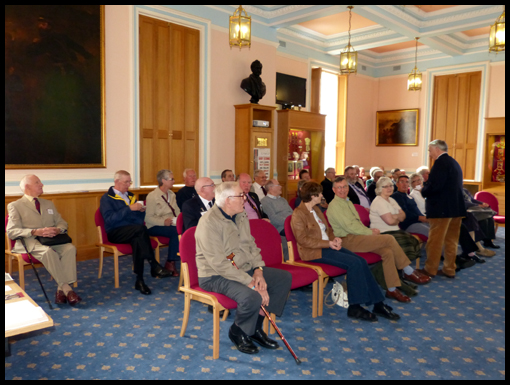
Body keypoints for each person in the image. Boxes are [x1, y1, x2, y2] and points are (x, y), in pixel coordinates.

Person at [196, 182, 292, 354]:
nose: (245, 199)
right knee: (252, 295)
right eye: (240, 196)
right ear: (227, 200)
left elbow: (251, 245)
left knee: (282, 279)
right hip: (214, 275)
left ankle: (254, 328)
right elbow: (219, 263)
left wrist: (258, 271)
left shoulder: (240, 216)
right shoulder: (208, 223)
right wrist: (251, 282)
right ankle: (238, 331)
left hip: (241, 268)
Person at [292, 182, 400, 321]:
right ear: (313, 196)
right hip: (314, 252)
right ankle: (355, 307)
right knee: (354, 263)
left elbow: (327, 230)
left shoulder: (316, 209)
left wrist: (334, 240)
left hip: (328, 246)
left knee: (360, 261)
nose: (322, 196)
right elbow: (303, 240)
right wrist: (328, 243)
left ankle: (378, 303)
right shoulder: (298, 214)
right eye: (320, 194)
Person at [328, 177, 430, 303]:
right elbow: (349, 227)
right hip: (347, 240)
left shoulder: (347, 202)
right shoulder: (334, 206)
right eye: (339, 187)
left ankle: (391, 289)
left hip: (358, 236)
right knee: (388, 238)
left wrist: (367, 232)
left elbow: (357, 224)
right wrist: (369, 232)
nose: (342, 190)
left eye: (344, 187)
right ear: (333, 189)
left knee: (387, 252)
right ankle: (408, 270)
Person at [7, 174, 81, 306]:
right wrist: (36, 231)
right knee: (48, 253)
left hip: (51, 240)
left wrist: (58, 230)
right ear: (27, 187)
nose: (41, 185)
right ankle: (67, 289)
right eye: (37, 182)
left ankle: (60, 290)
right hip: (30, 241)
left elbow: (62, 223)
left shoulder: (48, 204)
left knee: (70, 248)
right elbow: (12, 231)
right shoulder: (15, 206)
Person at [100, 170, 171, 295]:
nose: (129, 185)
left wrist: (141, 211)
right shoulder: (107, 198)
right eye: (126, 182)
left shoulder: (131, 196)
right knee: (140, 231)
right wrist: (129, 209)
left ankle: (140, 280)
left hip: (134, 231)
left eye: (130, 182)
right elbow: (110, 220)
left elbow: (138, 221)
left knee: (138, 239)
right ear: (117, 182)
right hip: (115, 232)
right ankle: (153, 264)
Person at [418, 140, 466, 279]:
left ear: (437, 149)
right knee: (451, 241)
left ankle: (430, 269)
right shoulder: (453, 162)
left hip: (441, 209)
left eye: (430, 150)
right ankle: (449, 269)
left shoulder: (440, 163)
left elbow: (435, 186)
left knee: (435, 241)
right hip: (456, 208)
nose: (430, 153)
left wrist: (424, 190)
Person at [370, 177, 424, 270]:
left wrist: (393, 216)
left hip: (395, 230)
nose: (389, 188)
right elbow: (390, 222)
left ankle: (401, 269)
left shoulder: (391, 200)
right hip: (383, 232)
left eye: (390, 185)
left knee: (412, 240)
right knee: (403, 243)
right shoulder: (379, 201)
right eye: (385, 186)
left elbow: (403, 217)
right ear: (379, 188)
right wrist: (396, 216)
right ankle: (402, 270)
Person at [145, 169, 181, 277]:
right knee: (176, 232)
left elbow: (177, 211)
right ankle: (170, 262)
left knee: (186, 228)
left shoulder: (172, 195)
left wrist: (181, 220)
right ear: (163, 180)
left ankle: (188, 260)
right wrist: (163, 222)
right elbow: (148, 218)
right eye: (172, 179)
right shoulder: (152, 196)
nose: (174, 181)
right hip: (155, 226)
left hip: (171, 223)